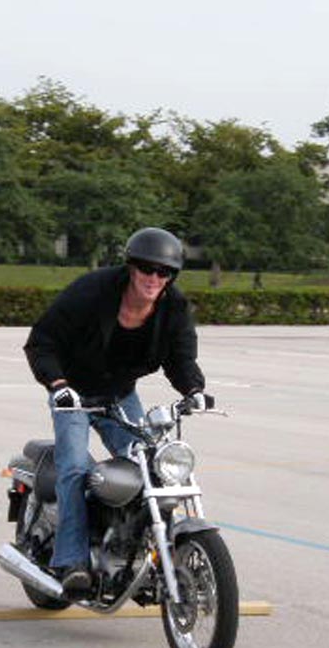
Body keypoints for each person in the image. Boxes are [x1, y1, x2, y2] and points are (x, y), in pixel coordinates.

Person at [23, 227, 209, 597]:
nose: (154, 278)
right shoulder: (92, 292)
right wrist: (58, 385)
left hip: (120, 394)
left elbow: (181, 358)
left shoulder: (173, 308)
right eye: (147, 268)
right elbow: (42, 341)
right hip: (73, 393)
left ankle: (137, 551)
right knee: (75, 467)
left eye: (164, 272)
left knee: (151, 468)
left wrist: (194, 390)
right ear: (131, 267)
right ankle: (72, 561)